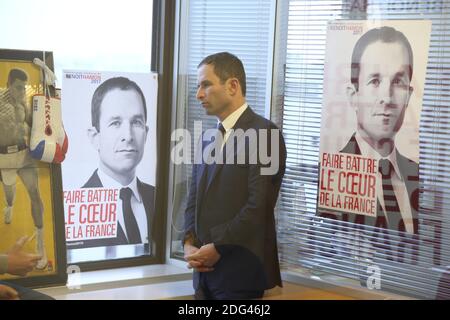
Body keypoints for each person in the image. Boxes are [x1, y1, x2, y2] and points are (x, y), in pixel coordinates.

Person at [183, 52, 286, 299]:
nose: (198, 94)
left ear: (232, 86)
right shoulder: (207, 137)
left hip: (241, 275)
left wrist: (218, 246)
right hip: (203, 277)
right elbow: (193, 199)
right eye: (198, 86)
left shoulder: (265, 134)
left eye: (206, 85)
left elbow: (258, 206)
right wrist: (188, 243)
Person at [339, 26, 419, 234]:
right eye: (375, 81)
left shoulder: (418, 174)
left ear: (409, 95)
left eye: (398, 82)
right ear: (353, 95)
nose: (387, 97)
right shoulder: (334, 171)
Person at [79, 77, 155, 248]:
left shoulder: (160, 200)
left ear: (146, 133)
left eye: (136, 122)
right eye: (115, 123)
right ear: (94, 137)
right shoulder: (75, 207)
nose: (128, 136)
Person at [0, 68, 48, 269]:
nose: (22, 91)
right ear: (9, 83)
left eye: (24, 88)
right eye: (18, 87)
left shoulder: (24, 99)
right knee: (10, 192)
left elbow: (32, 123)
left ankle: (40, 240)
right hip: (5, 157)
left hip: (25, 154)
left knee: (35, 194)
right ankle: (9, 206)